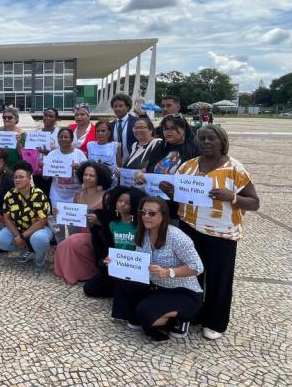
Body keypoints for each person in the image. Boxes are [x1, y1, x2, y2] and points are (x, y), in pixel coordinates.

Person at [164, 125, 260, 340]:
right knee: (192, 274)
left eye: (211, 139)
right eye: (202, 139)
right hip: (190, 227)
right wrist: (170, 191)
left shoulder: (235, 168)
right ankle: (195, 312)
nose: (206, 142)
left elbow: (254, 202)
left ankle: (215, 321)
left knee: (219, 278)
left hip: (221, 233)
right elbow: (180, 196)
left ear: (221, 142)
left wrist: (232, 197)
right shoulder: (188, 166)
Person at [110, 197, 204, 342]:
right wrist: (116, 262)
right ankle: (142, 314)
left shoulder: (176, 237)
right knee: (122, 280)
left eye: (152, 213)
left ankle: (181, 319)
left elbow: (197, 267)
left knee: (145, 311)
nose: (146, 216)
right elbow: (137, 262)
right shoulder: (143, 233)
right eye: (143, 212)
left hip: (183, 290)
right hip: (156, 286)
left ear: (163, 215)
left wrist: (169, 272)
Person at [53, 161, 112, 284]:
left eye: (91, 175)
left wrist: (98, 221)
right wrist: (59, 214)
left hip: (97, 235)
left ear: (99, 178)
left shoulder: (106, 197)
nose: (87, 178)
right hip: (79, 231)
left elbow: (112, 220)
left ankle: (87, 272)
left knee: (73, 240)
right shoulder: (78, 195)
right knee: (65, 239)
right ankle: (70, 271)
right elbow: (72, 217)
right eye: (85, 175)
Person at [83, 186, 145, 297]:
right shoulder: (112, 223)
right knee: (89, 288)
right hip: (115, 263)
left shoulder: (139, 225)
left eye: (127, 203)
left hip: (133, 265)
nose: (122, 204)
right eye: (120, 201)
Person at [0, 161, 52, 270]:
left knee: (39, 239)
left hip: (39, 229)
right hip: (19, 228)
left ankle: (39, 258)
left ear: (29, 178)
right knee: (0, 240)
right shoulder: (10, 194)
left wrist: (22, 236)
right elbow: (6, 218)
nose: (17, 180)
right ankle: (26, 250)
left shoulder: (38, 194)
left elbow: (42, 221)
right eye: (15, 177)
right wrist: (17, 236)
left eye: (21, 177)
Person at [43, 128, 87, 208]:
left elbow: (87, 175)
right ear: (58, 139)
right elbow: (45, 178)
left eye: (66, 137)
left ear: (71, 139)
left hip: (76, 194)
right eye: (61, 137)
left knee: (74, 218)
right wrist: (45, 170)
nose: (63, 139)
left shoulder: (79, 154)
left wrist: (79, 168)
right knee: (58, 218)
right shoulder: (51, 155)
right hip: (57, 194)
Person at [31, 107, 60, 195]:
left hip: (54, 171)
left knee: (51, 195)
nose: (47, 118)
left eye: (51, 116)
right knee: (39, 196)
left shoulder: (60, 133)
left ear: (56, 119)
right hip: (38, 171)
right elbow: (31, 151)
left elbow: (62, 152)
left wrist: (46, 152)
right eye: (45, 115)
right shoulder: (36, 132)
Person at [110, 93, 137, 161]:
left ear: (127, 107)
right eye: (115, 106)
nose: (117, 109)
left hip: (133, 161)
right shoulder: (110, 125)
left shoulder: (136, 122)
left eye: (121, 106)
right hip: (115, 162)